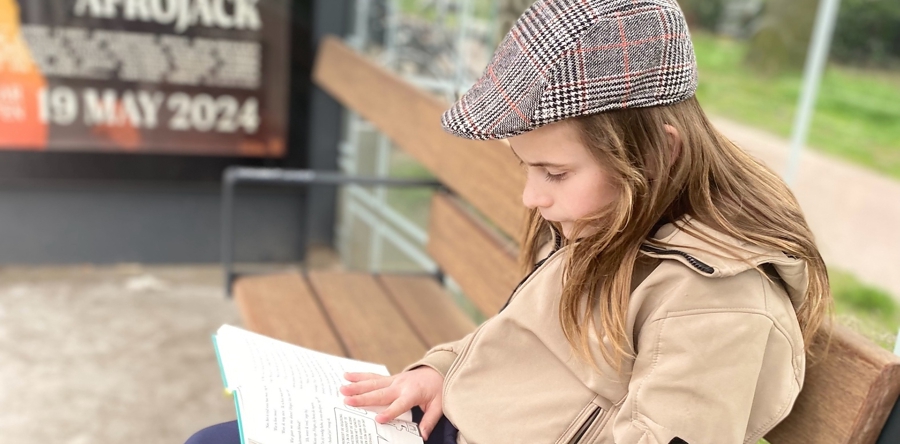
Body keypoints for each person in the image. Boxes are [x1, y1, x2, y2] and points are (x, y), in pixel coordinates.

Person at [186, 1, 830, 443]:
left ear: (659, 152)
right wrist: (440, 368)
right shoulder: (613, 214)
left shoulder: (717, 305)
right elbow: (523, 334)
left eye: (553, 174)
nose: (531, 197)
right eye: (527, 168)